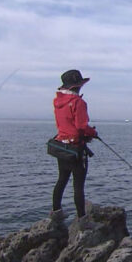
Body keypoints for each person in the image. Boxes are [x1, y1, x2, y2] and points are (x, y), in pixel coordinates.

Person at [51, 69, 98, 220]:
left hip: (61, 147)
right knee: (78, 185)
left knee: (62, 179)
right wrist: (93, 133)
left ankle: (56, 212)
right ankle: (82, 220)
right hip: (75, 148)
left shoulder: (58, 102)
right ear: (78, 86)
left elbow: (66, 125)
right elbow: (81, 126)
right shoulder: (78, 103)